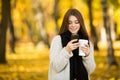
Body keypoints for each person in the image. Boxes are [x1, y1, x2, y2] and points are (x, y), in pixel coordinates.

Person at [48, 8, 96, 80]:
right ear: (66, 24)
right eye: (70, 22)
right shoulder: (57, 40)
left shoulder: (86, 42)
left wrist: (87, 55)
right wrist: (66, 50)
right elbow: (55, 67)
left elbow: (90, 70)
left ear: (81, 23)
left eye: (76, 22)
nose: (73, 25)